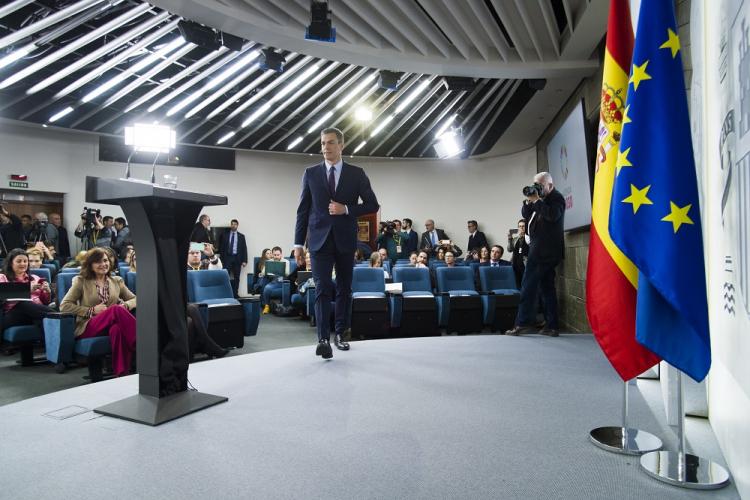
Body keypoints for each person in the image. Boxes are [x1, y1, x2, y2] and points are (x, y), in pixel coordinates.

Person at [294, 127, 379, 359]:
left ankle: (340, 334)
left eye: (330, 143)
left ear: (341, 145)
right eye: (322, 143)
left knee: (344, 288)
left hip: (345, 239)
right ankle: (323, 339)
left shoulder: (356, 173)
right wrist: (298, 244)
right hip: (318, 241)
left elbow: (373, 205)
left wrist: (347, 209)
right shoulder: (310, 173)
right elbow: (303, 211)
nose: (325, 148)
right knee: (321, 288)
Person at [59, 248, 137, 376]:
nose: (103, 264)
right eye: (98, 262)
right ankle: (141, 341)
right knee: (116, 309)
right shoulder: (81, 281)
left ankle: (122, 373)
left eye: (105, 260)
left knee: (117, 329)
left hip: (110, 324)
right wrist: (91, 310)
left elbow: (135, 298)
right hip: (88, 326)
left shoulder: (117, 281)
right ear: (90, 265)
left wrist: (126, 305)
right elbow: (64, 306)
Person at [506, 172, 565, 337]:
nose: (537, 187)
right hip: (540, 250)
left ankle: (522, 323)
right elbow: (525, 214)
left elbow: (553, 216)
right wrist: (529, 199)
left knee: (527, 286)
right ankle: (552, 325)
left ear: (550, 185)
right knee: (547, 288)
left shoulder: (557, 198)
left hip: (544, 252)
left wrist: (537, 200)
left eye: (540, 185)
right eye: (535, 184)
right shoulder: (540, 198)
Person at [0, 248, 53, 329]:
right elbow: (3, 294)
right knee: (24, 304)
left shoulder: (35, 278)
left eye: (25, 261)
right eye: (19, 261)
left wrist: (47, 292)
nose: (23, 264)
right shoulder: (3, 277)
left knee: (43, 318)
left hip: (35, 312)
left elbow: (45, 302)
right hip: (12, 314)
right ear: (11, 263)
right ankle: (60, 316)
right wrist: (27, 289)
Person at [219, 219, 248, 298]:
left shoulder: (241, 236)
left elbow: (244, 248)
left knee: (237, 277)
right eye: (232, 224)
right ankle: (225, 294)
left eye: (235, 224)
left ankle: (235, 294)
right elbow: (221, 248)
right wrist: (222, 259)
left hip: (237, 258)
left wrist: (245, 260)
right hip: (227, 258)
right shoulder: (225, 235)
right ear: (230, 225)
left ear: (237, 225)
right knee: (225, 276)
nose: (233, 225)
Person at [507, 219, 529, 289]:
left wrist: (525, 235)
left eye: (523, 226)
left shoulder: (530, 238)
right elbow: (509, 249)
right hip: (515, 264)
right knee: (517, 284)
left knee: (526, 284)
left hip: (526, 264)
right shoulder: (516, 239)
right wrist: (510, 239)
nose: (521, 228)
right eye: (520, 226)